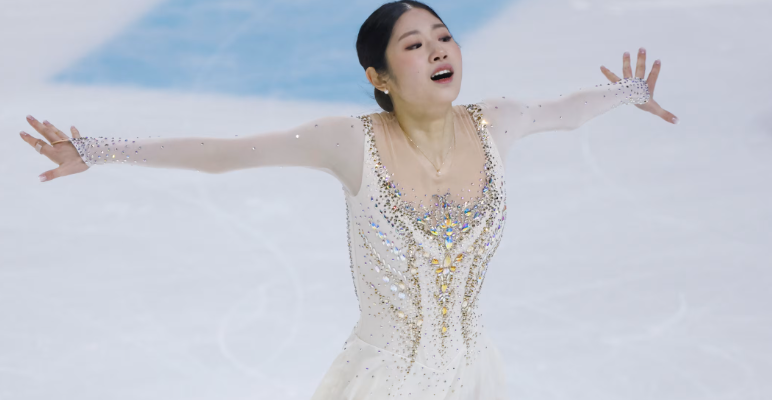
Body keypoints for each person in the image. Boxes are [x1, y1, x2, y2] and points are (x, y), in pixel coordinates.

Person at [18, 1, 676, 398]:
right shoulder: (349, 141)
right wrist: (98, 149)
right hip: (382, 382)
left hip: (471, 374)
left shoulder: (497, 120)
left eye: (443, 36)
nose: (438, 50)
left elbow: (568, 111)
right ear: (378, 76)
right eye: (414, 45)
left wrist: (629, 92)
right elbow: (222, 154)